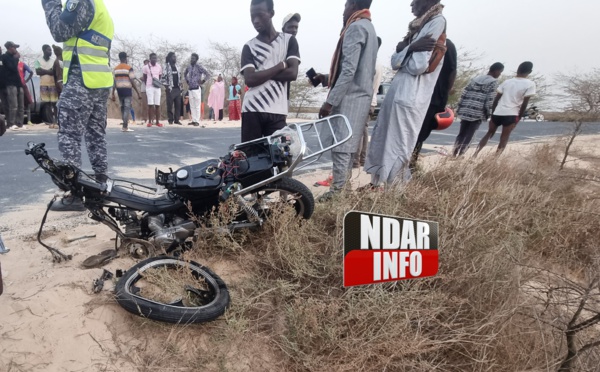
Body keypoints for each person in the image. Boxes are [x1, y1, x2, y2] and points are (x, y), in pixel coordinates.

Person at [364, 0, 447, 188]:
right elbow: (394, 61)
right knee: (383, 141)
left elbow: (418, 66)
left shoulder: (437, 22)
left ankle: (396, 194)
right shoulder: (418, 28)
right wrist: (411, 47)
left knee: (399, 146)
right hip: (400, 93)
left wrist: (406, 50)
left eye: (415, 1)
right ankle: (377, 187)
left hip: (410, 96)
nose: (411, 5)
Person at [42, 0, 115, 212]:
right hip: (100, 80)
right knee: (96, 136)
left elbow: (59, 31)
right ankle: (101, 187)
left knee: (70, 135)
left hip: (81, 77)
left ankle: (75, 193)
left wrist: (50, 4)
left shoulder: (80, 1)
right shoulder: (101, 7)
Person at [312, 0, 377, 201]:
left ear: (355, 4)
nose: (344, 10)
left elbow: (349, 70)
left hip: (350, 98)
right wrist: (327, 79)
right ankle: (343, 190)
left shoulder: (356, 28)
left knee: (341, 147)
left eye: (346, 5)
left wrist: (329, 102)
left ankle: (338, 192)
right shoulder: (369, 27)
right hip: (360, 98)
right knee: (348, 149)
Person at [240, 0, 300, 142]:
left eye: (260, 15)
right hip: (252, 109)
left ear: (271, 14)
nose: (255, 21)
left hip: (277, 111)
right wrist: (279, 66)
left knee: (279, 159)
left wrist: (260, 74)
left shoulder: (288, 41)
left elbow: (292, 73)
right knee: (251, 158)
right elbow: (250, 80)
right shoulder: (249, 47)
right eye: (252, 16)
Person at [409, 38, 458, 170]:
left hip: (433, 99)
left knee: (419, 136)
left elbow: (452, 71)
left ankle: (410, 165)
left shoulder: (447, 45)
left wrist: (444, 96)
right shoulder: (422, 40)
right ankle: (407, 164)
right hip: (416, 95)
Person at [474, 61, 536, 157]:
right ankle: (494, 159)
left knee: (489, 133)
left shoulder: (507, 82)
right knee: (504, 137)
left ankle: (475, 154)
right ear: (530, 71)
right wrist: (519, 118)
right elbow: (524, 104)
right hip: (512, 114)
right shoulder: (530, 84)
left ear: (518, 69)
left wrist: (493, 112)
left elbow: (496, 99)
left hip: (498, 112)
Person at [453, 62, 504, 157]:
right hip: (478, 112)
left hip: (466, 109)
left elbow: (464, 93)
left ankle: (454, 152)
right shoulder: (493, 82)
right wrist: (488, 113)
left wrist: (460, 107)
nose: (499, 74)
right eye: (500, 72)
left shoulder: (475, 79)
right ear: (496, 70)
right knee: (470, 134)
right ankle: (461, 154)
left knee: (462, 133)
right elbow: (489, 99)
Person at [354, 36, 383, 169]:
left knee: (358, 131)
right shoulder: (378, 64)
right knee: (363, 131)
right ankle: (362, 159)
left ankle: (356, 160)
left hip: (365, 101)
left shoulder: (371, 64)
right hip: (372, 101)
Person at [111, 52, 141, 132]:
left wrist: (113, 93)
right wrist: (138, 92)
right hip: (127, 90)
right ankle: (125, 126)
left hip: (119, 90)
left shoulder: (116, 69)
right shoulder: (129, 68)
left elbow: (114, 82)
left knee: (122, 107)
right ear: (125, 58)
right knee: (127, 107)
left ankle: (124, 123)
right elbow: (132, 81)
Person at [2, 42, 25, 131]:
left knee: (21, 105)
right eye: (14, 47)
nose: (16, 50)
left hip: (18, 83)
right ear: (9, 48)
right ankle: (11, 123)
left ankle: (20, 123)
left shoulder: (14, 58)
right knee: (13, 105)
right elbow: (11, 67)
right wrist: (16, 59)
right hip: (10, 83)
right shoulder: (5, 57)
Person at [35, 44, 58, 126]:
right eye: (49, 50)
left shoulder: (54, 61)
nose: (50, 52)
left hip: (53, 85)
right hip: (43, 84)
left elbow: (54, 72)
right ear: (44, 50)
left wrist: (43, 71)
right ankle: (50, 121)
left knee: (55, 103)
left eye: (51, 50)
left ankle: (56, 121)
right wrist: (49, 71)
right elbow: (38, 72)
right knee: (47, 104)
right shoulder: (38, 60)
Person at [184, 53, 209, 127]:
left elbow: (207, 74)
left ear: (196, 59)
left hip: (197, 88)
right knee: (192, 105)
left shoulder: (199, 67)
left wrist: (203, 81)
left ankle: (197, 121)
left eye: (193, 58)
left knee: (197, 105)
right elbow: (185, 73)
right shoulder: (189, 67)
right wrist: (187, 80)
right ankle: (193, 120)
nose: (192, 59)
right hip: (190, 89)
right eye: (191, 58)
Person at [143, 53, 163, 127]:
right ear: (150, 59)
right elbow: (144, 77)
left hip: (157, 87)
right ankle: (150, 121)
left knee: (157, 104)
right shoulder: (146, 67)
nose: (154, 59)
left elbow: (160, 76)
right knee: (150, 104)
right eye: (153, 58)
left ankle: (157, 122)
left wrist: (156, 83)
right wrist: (148, 84)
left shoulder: (159, 66)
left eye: (155, 58)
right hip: (149, 87)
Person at [163, 52, 183, 125]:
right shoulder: (166, 67)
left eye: (175, 57)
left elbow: (180, 77)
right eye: (173, 57)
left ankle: (177, 120)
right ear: (170, 58)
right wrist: (167, 86)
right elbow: (163, 78)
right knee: (170, 105)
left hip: (177, 88)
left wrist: (181, 86)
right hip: (170, 89)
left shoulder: (177, 67)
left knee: (178, 105)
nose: (175, 58)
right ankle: (170, 120)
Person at [18, 60, 34, 125]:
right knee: (18, 103)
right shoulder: (11, 64)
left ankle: (29, 120)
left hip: (22, 84)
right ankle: (19, 121)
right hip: (15, 85)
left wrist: (26, 80)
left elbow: (31, 72)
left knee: (28, 101)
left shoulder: (22, 64)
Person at [137, 59, 149, 125]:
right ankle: (144, 118)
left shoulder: (151, 70)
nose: (146, 64)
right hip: (143, 89)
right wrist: (147, 78)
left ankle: (151, 119)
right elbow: (140, 77)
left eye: (147, 63)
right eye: (145, 63)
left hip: (150, 89)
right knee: (144, 105)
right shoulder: (142, 70)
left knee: (151, 105)